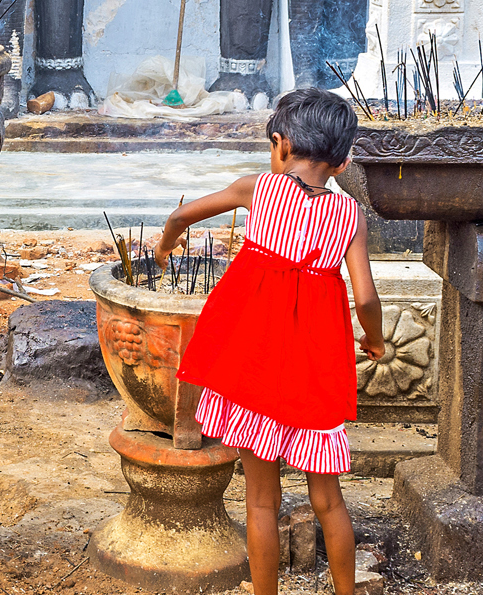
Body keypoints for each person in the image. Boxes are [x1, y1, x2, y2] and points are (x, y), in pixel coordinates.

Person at [153, 88, 385, 595]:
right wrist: (375, 341)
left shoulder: (259, 190)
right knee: (329, 501)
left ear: (280, 145)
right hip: (314, 373)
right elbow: (365, 297)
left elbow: (180, 217)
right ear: (342, 163)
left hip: (253, 368)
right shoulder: (350, 219)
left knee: (261, 501)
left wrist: (166, 248)